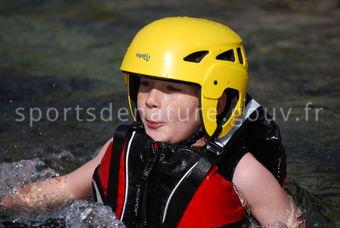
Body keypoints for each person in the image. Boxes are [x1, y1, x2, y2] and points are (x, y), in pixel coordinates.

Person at [1, 17, 305, 227]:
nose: (151, 99)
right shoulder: (120, 148)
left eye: (171, 89)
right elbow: (61, 188)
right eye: (145, 84)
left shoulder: (244, 173)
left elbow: (290, 223)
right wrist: (7, 202)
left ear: (218, 98)